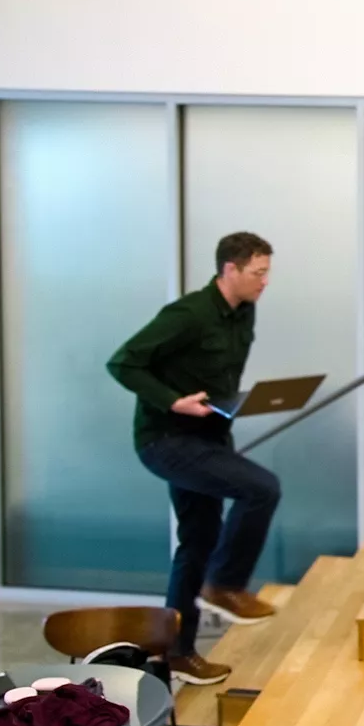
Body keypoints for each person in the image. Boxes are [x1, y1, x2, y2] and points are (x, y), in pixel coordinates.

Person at [108, 232, 283, 684]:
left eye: (267, 272)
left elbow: (218, 373)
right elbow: (123, 363)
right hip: (167, 439)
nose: (265, 281)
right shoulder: (187, 315)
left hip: (210, 437)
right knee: (262, 488)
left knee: (198, 540)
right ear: (230, 269)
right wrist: (173, 401)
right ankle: (224, 585)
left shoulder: (244, 312)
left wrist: (236, 403)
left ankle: (177, 654)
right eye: (258, 273)